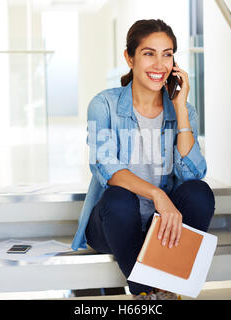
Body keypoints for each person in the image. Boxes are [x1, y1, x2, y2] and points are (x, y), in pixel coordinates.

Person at [71, 19, 215, 300]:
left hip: (160, 226)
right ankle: (148, 292)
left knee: (200, 193)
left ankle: (166, 288)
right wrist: (157, 194)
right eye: (149, 54)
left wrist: (181, 109)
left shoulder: (183, 110)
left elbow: (193, 173)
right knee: (118, 198)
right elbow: (105, 168)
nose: (159, 65)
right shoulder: (104, 105)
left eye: (167, 54)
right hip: (114, 221)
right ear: (130, 58)